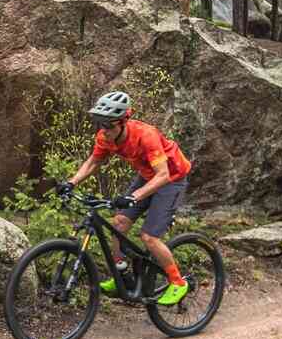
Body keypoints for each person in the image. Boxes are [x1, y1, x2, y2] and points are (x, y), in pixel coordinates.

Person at [56, 91, 192, 305]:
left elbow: (163, 175)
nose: (104, 130)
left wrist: (133, 197)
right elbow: (93, 162)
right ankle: (121, 271)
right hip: (148, 176)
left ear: (122, 122)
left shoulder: (146, 135)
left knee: (149, 237)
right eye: (101, 124)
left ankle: (178, 282)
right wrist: (71, 182)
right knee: (119, 222)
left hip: (172, 178)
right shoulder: (104, 137)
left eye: (109, 125)